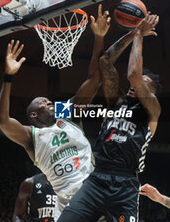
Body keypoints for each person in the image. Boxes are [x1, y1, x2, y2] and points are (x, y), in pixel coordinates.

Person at [0, 4, 111, 221]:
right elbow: (2, 121)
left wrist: (98, 38)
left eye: (50, 102)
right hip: (72, 209)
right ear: (33, 115)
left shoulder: (68, 114)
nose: (50, 103)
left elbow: (94, 80)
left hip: (97, 195)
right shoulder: (32, 137)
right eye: (44, 103)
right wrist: (8, 77)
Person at [57, 13, 161, 222]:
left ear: (152, 93)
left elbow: (133, 75)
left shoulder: (152, 111)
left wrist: (140, 34)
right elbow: (104, 62)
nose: (135, 84)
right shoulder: (117, 102)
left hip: (124, 185)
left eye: (144, 83)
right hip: (96, 179)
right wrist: (131, 34)